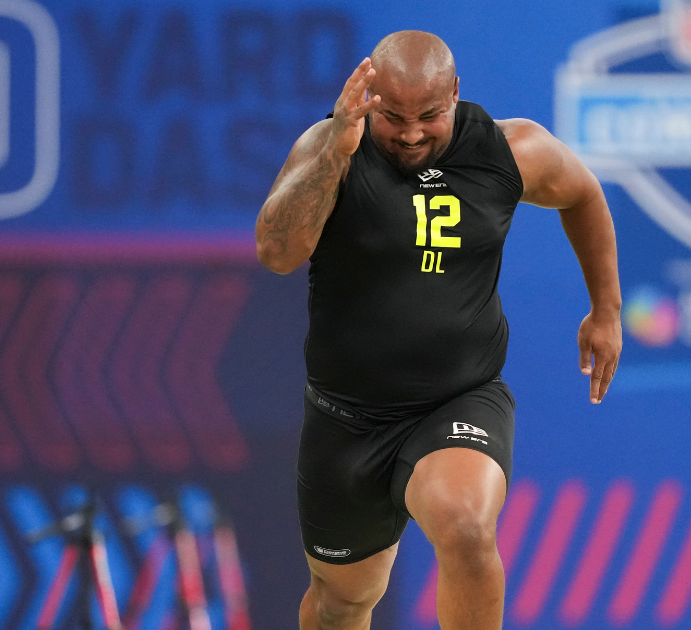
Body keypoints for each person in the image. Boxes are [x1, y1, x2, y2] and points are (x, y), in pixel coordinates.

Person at [255, 30, 622, 630]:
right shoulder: (330, 147)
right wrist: (335, 153)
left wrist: (605, 309)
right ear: (368, 98)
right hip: (346, 417)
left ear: (455, 92)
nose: (411, 133)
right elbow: (276, 251)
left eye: (430, 115)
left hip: (459, 396)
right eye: (393, 116)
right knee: (341, 603)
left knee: (466, 526)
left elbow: (581, 194)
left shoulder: (510, 149)